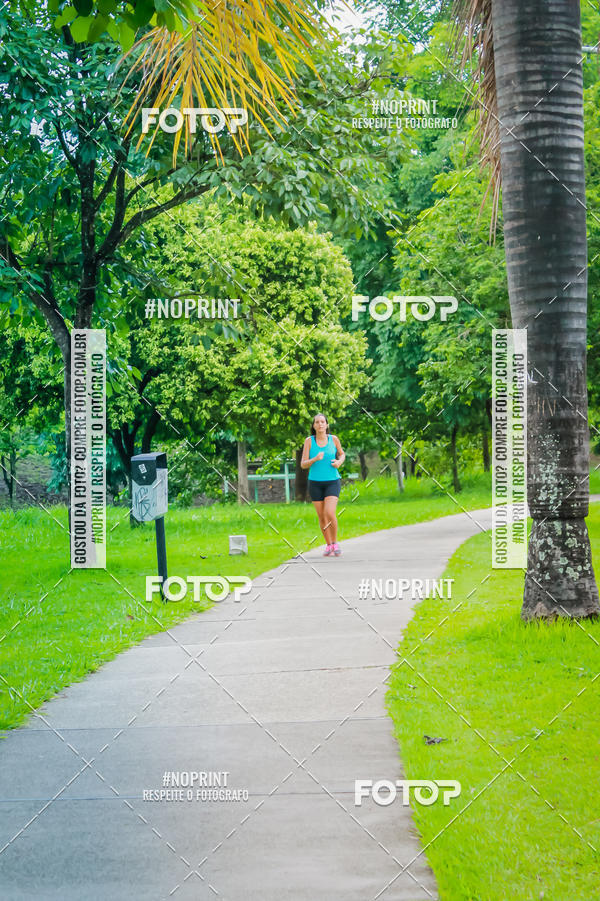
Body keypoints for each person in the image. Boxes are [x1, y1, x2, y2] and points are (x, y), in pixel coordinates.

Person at [301, 413, 345, 556]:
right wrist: (315, 459)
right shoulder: (309, 441)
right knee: (321, 516)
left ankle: (336, 542)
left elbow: (342, 454)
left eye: (322, 422)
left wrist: (339, 462)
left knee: (329, 512)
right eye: (317, 422)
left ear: (327, 425)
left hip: (332, 481)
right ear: (314, 426)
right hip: (315, 483)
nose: (320, 424)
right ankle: (329, 545)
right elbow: (303, 464)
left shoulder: (334, 439)